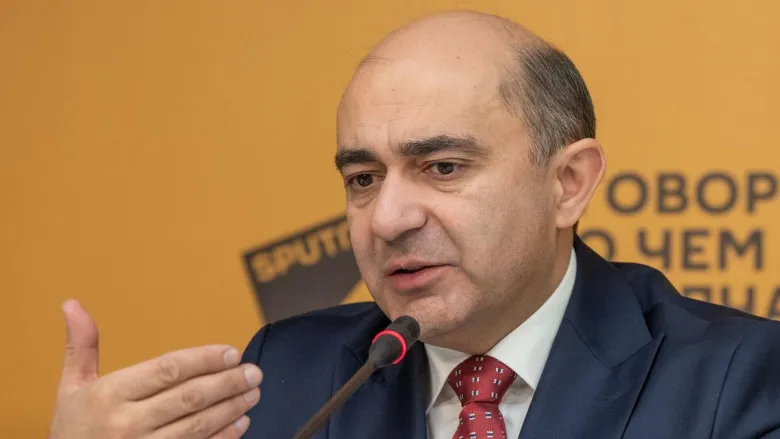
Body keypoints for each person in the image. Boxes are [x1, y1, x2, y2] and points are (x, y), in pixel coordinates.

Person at [48, 10, 780, 439]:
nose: (389, 219)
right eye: (362, 179)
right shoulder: (293, 373)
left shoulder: (736, 378)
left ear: (568, 183)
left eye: (443, 167)